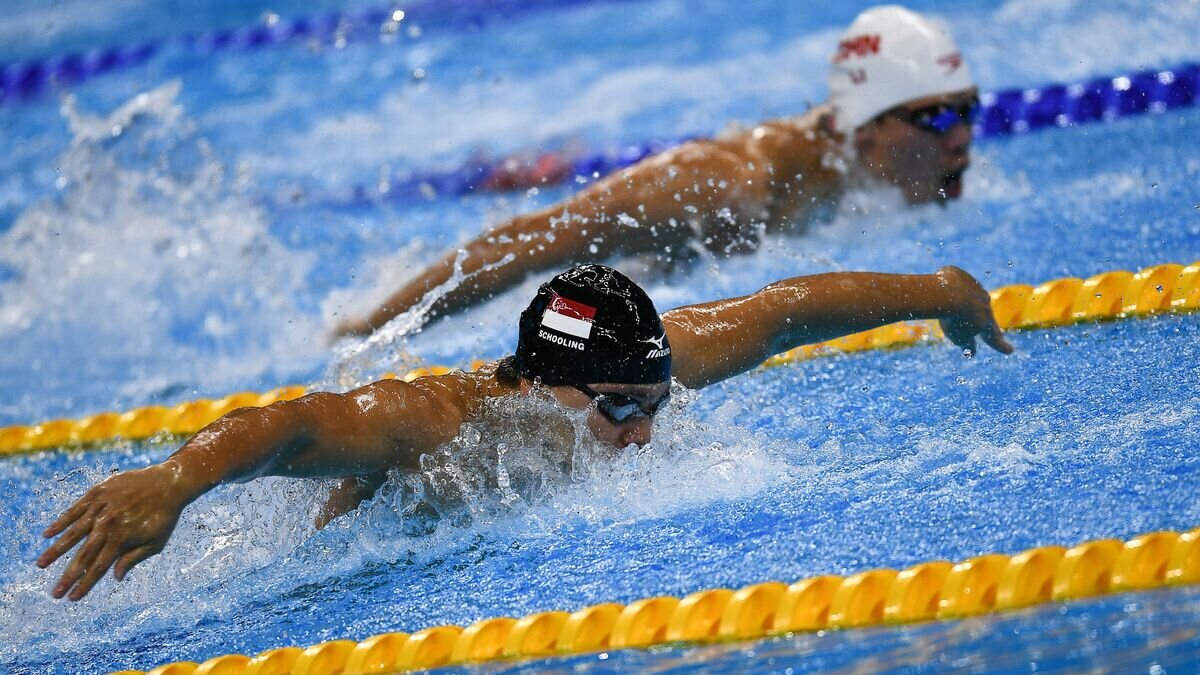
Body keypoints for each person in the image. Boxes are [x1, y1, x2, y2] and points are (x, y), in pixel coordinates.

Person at [39, 263, 1012, 600]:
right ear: (546, 385)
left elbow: (784, 310)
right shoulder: (433, 423)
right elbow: (290, 426)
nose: (641, 435)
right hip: (367, 559)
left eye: (654, 405)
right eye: (620, 410)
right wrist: (173, 481)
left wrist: (941, 292)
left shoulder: (641, 363)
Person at [335, 5, 978, 338]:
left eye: (969, 112)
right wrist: (373, 327)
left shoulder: (860, 170)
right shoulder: (725, 184)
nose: (964, 140)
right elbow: (535, 239)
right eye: (938, 120)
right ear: (865, 130)